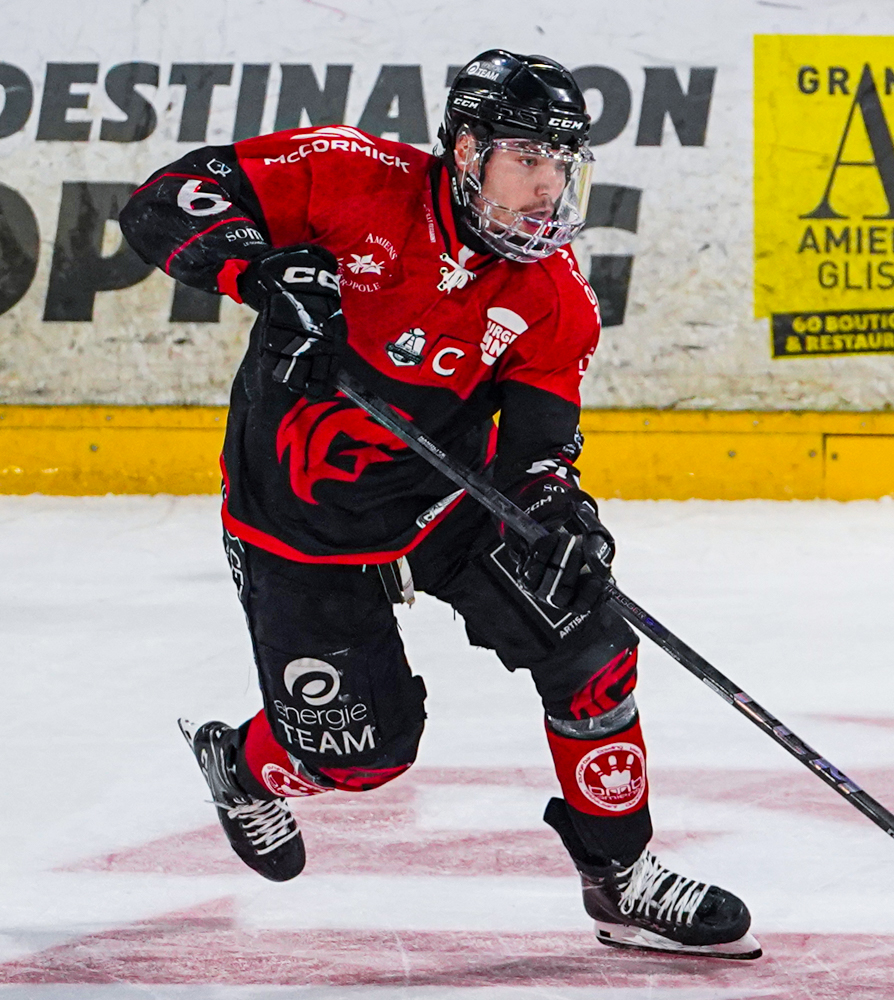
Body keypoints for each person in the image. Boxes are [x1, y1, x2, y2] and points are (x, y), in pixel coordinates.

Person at [119, 49, 760, 961]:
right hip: (299, 520)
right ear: (465, 149)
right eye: (527, 159)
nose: (547, 188)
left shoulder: (555, 296)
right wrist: (259, 275)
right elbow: (162, 202)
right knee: (363, 755)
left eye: (560, 164)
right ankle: (246, 763)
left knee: (590, 646)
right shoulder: (348, 176)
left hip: (448, 500)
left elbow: (539, 445)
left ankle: (621, 878)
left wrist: (560, 512)